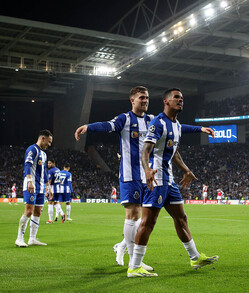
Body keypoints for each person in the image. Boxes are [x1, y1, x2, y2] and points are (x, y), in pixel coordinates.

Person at [74, 86, 214, 270]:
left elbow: (175, 128)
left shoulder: (151, 120)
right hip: (131, 174)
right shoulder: (125, 119)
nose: (145, 101)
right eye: (141, 98)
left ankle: (125, 247)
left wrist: (199, 129)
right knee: (135, 216)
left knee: (146, 218)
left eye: (147, 98)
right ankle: (133, 259)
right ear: (132, 100)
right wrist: (88, 127)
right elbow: (107, 125)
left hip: (149, 175)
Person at [128, 88, 218, 277]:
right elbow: (145, 151)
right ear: (166, 101)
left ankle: (195, 257)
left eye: (182, 98)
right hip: (157, 179)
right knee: (148, 222)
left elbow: (174, 153)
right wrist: (146, 170)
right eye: (176, 97)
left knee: (181, 218)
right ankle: (134, 266)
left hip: (169, 181)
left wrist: (186, 170)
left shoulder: (176, 126)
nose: (180, 100)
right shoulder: (158, 123)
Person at [15, 129, 53, 247]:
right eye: (49, 141)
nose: (49, 144)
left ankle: (32, 239)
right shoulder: (32, 149)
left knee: (37, 212)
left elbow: (44, 172)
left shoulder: (44, 154)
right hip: (32, 186)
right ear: (43, 138)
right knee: (29, 211)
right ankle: (19, 238)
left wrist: (48, 187)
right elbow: (27, 165)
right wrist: (30, 181)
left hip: (41, 187)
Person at [46, 159, 61, 223]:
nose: (48, 164)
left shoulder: (50, 171)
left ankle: (50, 220)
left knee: (50, 203)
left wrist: (48, 190)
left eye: (50, 163)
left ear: (53, 163)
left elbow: (49, 182)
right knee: (55, 203)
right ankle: (62, 214)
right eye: (48, 163)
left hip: (52, 189)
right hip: (58, 188)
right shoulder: (58, 170)